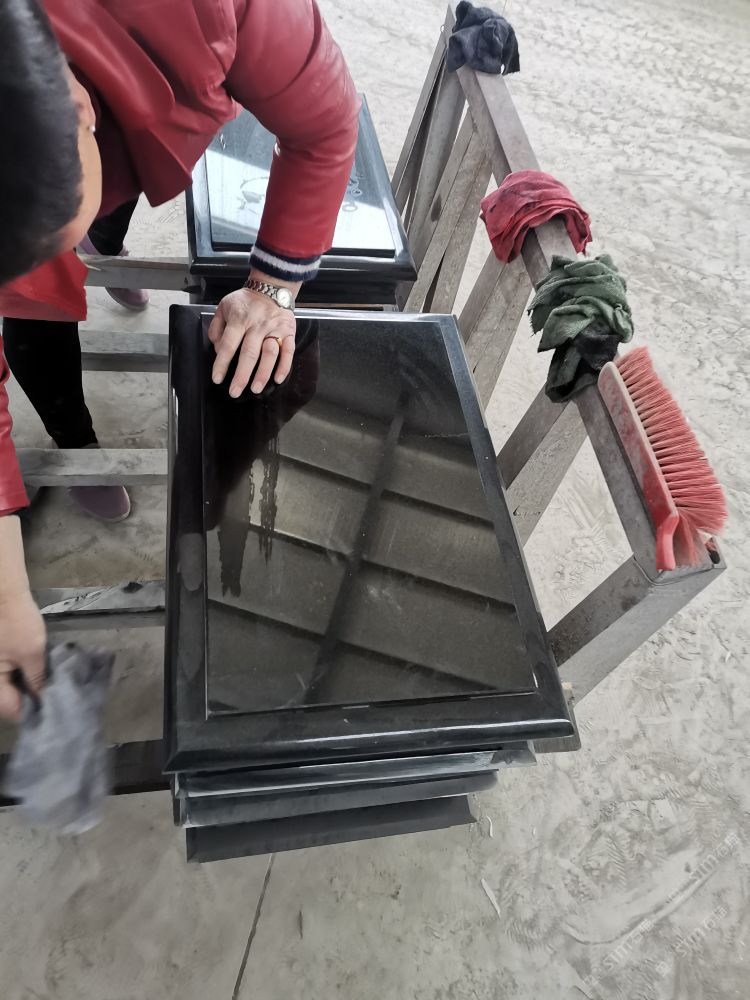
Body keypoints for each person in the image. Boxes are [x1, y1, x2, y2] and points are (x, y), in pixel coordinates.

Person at [0, 0, 360, 719]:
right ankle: (74, 434)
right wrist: (8, 595)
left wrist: (272, 288)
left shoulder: (218, 8)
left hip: (107, 124)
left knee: (94, 213)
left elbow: (324, 125)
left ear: (79, 107)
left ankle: (98, 234)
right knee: (33, 307)